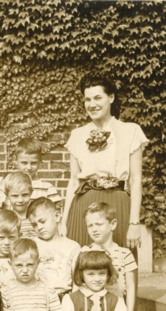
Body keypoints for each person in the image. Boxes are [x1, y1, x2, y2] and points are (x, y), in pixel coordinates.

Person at [61, 74, 148, 248]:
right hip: (84, 207)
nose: (92, 104)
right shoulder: (77, 135)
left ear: (111, 97)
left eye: (97, 98)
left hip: (118, 205)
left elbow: (135, 180)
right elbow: (73, 182)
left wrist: (134, 223)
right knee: (84, 265)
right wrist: (64, 222)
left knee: (122, 265)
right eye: (87, 99)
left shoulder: (131, 131)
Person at [27, 197, 80, 298]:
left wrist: (73, 302)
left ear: (57, 216)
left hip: (63, 297)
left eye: (42, 221)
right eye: (34, 225)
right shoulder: (31, 245)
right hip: (37, 297)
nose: (39, 227)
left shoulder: (73, 246)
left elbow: (77, 280)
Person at [13, 138, 62, 207]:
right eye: (24, 163)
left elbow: (55, 213)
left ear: (40, 161)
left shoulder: (47, 188)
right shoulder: (9, 186)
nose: (29, 167)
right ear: (15, 160)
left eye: (33, 163)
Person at [0, 209, 20, 291]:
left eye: (11, 237)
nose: (6, 242)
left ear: (19, 236)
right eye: (1, 238)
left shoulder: (23, 258)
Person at [3, 172, 36, 238]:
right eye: (15, 196)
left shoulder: (37, 217)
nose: (20, 200)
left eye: (25, 195)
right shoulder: (5, 220)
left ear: (31, 192)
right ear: (7, 195)